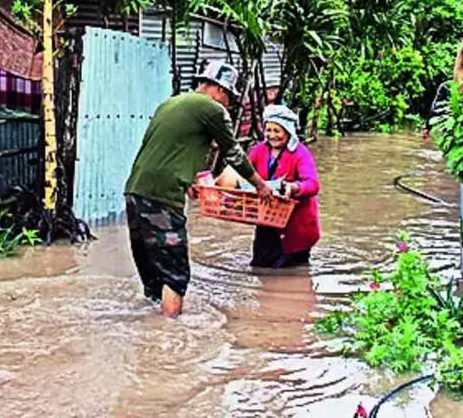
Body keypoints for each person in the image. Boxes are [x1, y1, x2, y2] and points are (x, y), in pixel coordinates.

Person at [124, 61, 274, 317]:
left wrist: (190, 179)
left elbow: (168, 148)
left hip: (135, 193)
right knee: (175, 276)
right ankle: (171, 340)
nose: (228, 104)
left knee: (152, 277)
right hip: (162, 198)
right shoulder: (212, 109)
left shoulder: (170, 104)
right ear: (219, 89)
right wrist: (261, 186)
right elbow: (234, 153)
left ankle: (147, 335)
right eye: (228, 97)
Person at [247, 104, 320, 268]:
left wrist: (294, 188)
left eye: (277, 131)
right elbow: (244, 172)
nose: (272, 135)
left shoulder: (300, 153)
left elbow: (313, 184)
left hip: (295, 226)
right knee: (260, 266)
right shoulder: (259, 150)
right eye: (268, 130)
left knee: (293, 272)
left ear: (288, 131)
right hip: (266, 218)